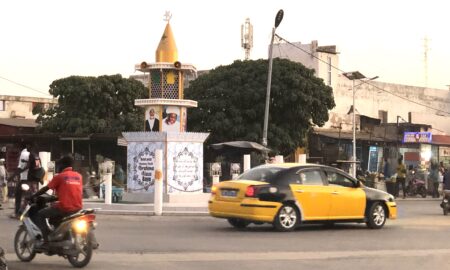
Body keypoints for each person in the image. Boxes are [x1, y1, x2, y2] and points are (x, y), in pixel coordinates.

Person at [30, 155, 83, 247]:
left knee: (40, 214)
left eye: (60, 164)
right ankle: (58, 234)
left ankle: (46, 240)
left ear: (63, 165)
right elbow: (70, 191)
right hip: (78, 208)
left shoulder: (60, 176)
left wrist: (34, 195)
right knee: (54, 214)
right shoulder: (79, 176)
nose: (58, 166)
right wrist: (56, 197)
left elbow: (46, 188)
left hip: (65, 207)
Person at [8, 142, 30, 218]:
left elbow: (21, 167)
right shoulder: (27, 153)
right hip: (27, 179)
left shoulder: (23, 154)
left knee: (18, 195)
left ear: (18, 147)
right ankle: (24, 213)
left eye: (15, 146)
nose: (14, 148)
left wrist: (11, 177)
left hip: (24, 179)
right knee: (26, 196)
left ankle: (18, 213)